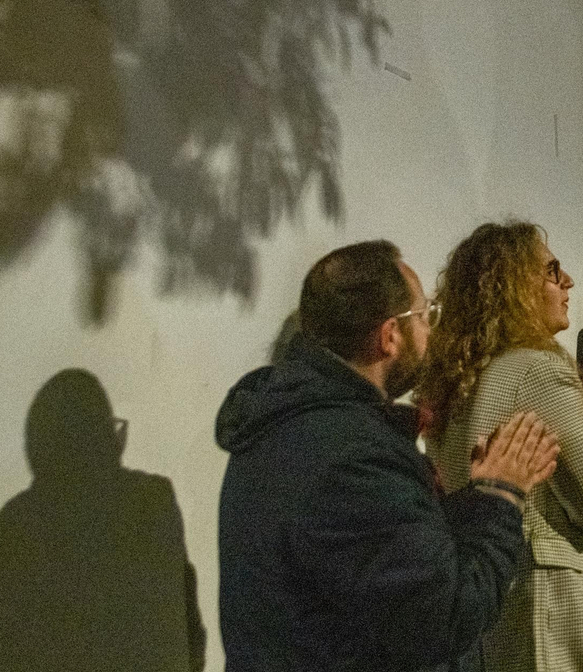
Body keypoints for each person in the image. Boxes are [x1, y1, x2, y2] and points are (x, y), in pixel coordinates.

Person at [216, 240, 558, 672]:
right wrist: (501, 497)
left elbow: (374, 559)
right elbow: (446, 617)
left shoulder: (279, 421)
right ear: (390, 335)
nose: (432, 331)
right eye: (426, 316)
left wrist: (470, 504)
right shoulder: (356, 454)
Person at [421, 221, 583, 672]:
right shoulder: (537, 371)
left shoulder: (460, 377)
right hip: (547, 613)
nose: (568, 281)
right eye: (552, 271)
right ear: (514, 286)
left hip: (489, 604)